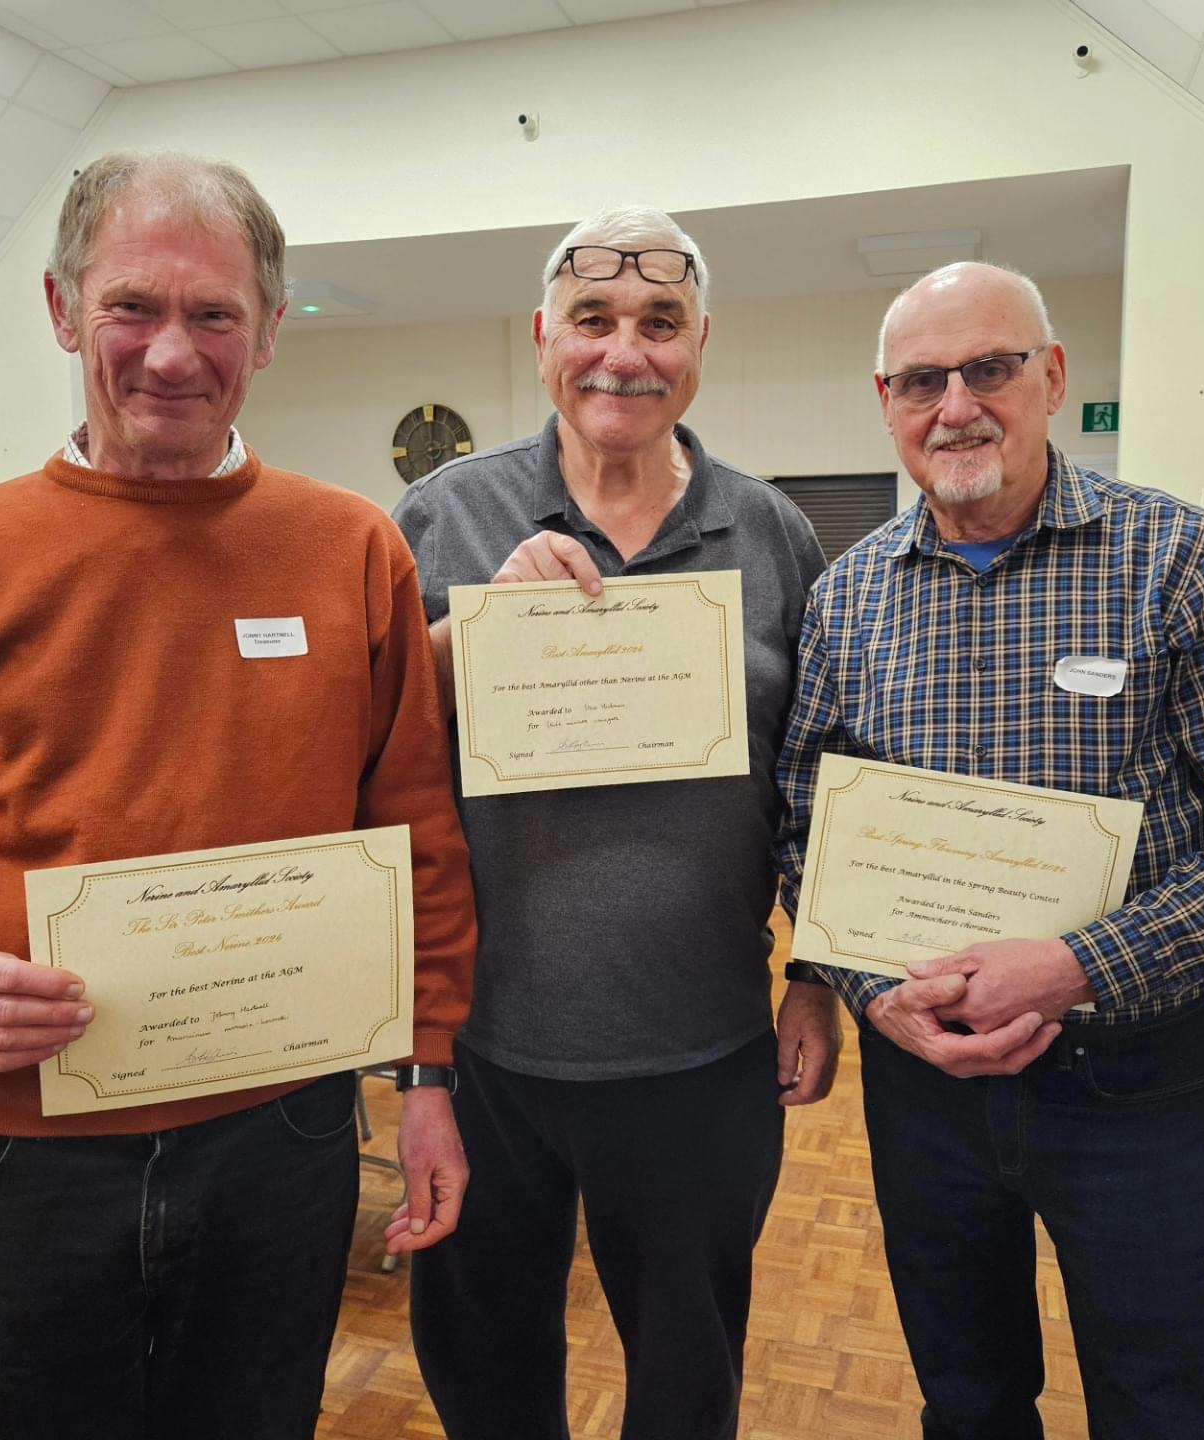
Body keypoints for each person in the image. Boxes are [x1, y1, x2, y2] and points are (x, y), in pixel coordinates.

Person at [0, 150, 476, 1439]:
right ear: (61, 310)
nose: (170, 353)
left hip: (284, 1138)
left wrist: (429, 1080)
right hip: (24, 1147)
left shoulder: (352, 549)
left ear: (268, 331)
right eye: (131, 307)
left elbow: (417, 839)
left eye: (214, 313)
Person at [775, 260, 1204, 1440]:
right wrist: (871, 992)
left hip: (1131, 1082)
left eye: (990, 368)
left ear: (1054, 377)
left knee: (1169, 1406)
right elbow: (806, 820)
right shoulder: (848, 597)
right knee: (967, 1399)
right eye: (922, 380)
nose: (956, 406)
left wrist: (1080, 964)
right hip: (923, 1081)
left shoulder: (1181, 557)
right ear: (886, 401)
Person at [391, 207, 840, 1440]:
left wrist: (816, 977)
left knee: (689, 1383)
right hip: (486, 1053)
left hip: (704, 1051)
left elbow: (818, 774)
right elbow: (365, 748)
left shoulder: (772, 531)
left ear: (701, 344)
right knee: (487, 1375)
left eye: (660, 322)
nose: (623, 353)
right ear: (543, 337)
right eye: (592, 319)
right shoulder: (442, 515)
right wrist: (472, 635)